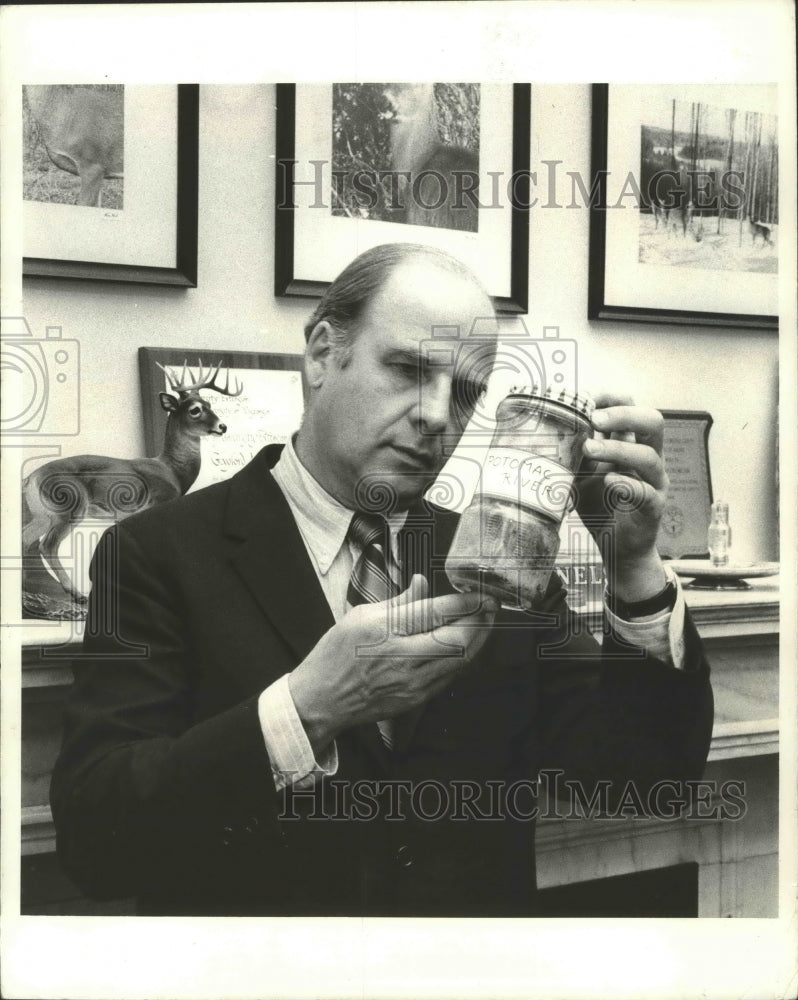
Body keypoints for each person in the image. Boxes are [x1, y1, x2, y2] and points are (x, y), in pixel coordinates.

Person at [51, 243, 713, 916]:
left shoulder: (503, 561)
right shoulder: (153, 552)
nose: (434, 416)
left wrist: (631, 565)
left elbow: (644, 780)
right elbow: (96, 842)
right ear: (320, 353)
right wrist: (308, 709)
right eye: (405, 369)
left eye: (463, 392)